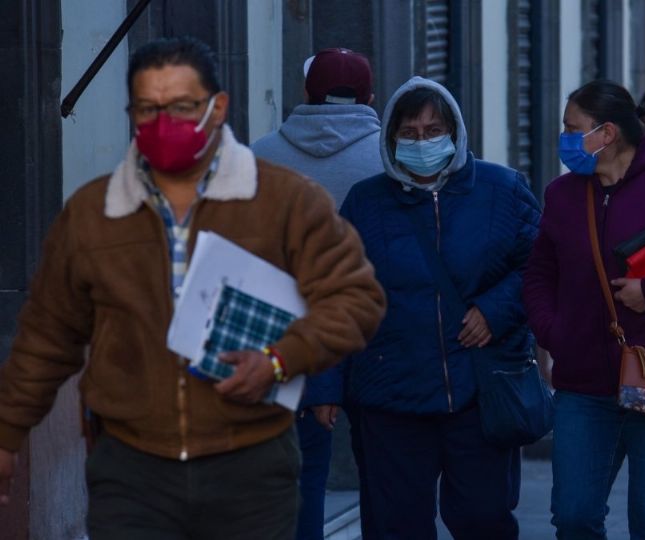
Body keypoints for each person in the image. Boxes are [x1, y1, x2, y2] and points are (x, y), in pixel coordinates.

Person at [0, 36, 386, 539]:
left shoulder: (286, 198)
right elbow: (47, 337)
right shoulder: (94, 213)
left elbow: (358, 298)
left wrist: (279, 360)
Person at [337, 76, 540, 539]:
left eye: (433, 130)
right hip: (391, 394)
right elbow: (335, 293)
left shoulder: (501, 189)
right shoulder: (365, 203)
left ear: (454, 132)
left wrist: (495, 309)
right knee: (397, 526)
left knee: (483, 519)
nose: (422, 142)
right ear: (389, 140)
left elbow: (540, 266)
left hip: (478, 392)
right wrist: (329, 387)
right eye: (408, 133)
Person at [523, 80, 645, 540]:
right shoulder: (563, 194)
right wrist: (555, 332)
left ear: (606, 133)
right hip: (584, 387)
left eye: (573, 128)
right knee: (573, 517)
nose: (565, 138)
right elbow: (537, 274)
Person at [251, 47, 383, 540]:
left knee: (300, 469)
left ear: (306, 94)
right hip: (377, 328)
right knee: (386, 472)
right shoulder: (387, 157)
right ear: (371, 96)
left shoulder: (262, 153)